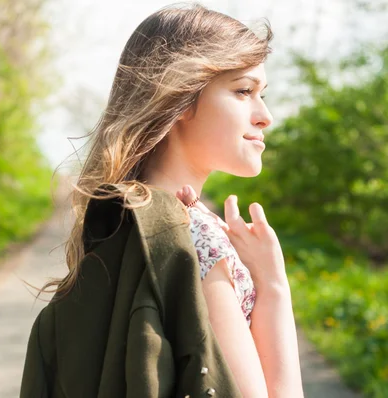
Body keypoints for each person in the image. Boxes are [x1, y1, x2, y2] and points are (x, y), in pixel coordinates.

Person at [28, 3, 304, 396]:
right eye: (244, 91)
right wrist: (274, 284)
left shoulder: (123, 219)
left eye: (262, 94)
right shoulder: (194, 235)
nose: (265, 116)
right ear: (180, 98)